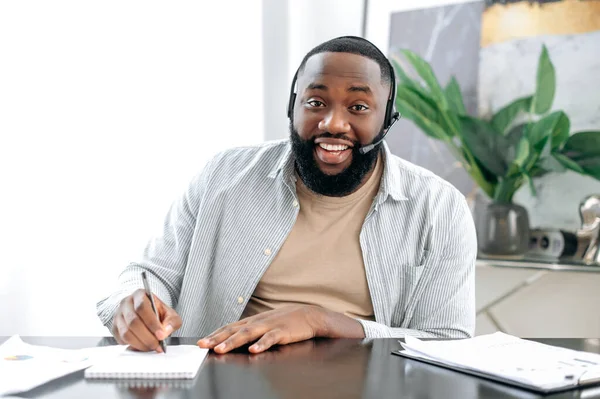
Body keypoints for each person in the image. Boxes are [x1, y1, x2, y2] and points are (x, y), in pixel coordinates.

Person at [97, 36, 477, 355]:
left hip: (362, 384)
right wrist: (130, 304)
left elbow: (448, 341)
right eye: (315, 102)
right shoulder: (224, 174)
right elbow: (148, 273)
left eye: (358, 107)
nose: (333, 123)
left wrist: (321, 320)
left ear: (387, 120)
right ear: (292, 107)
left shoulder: (439, 207)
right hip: (219, 381)